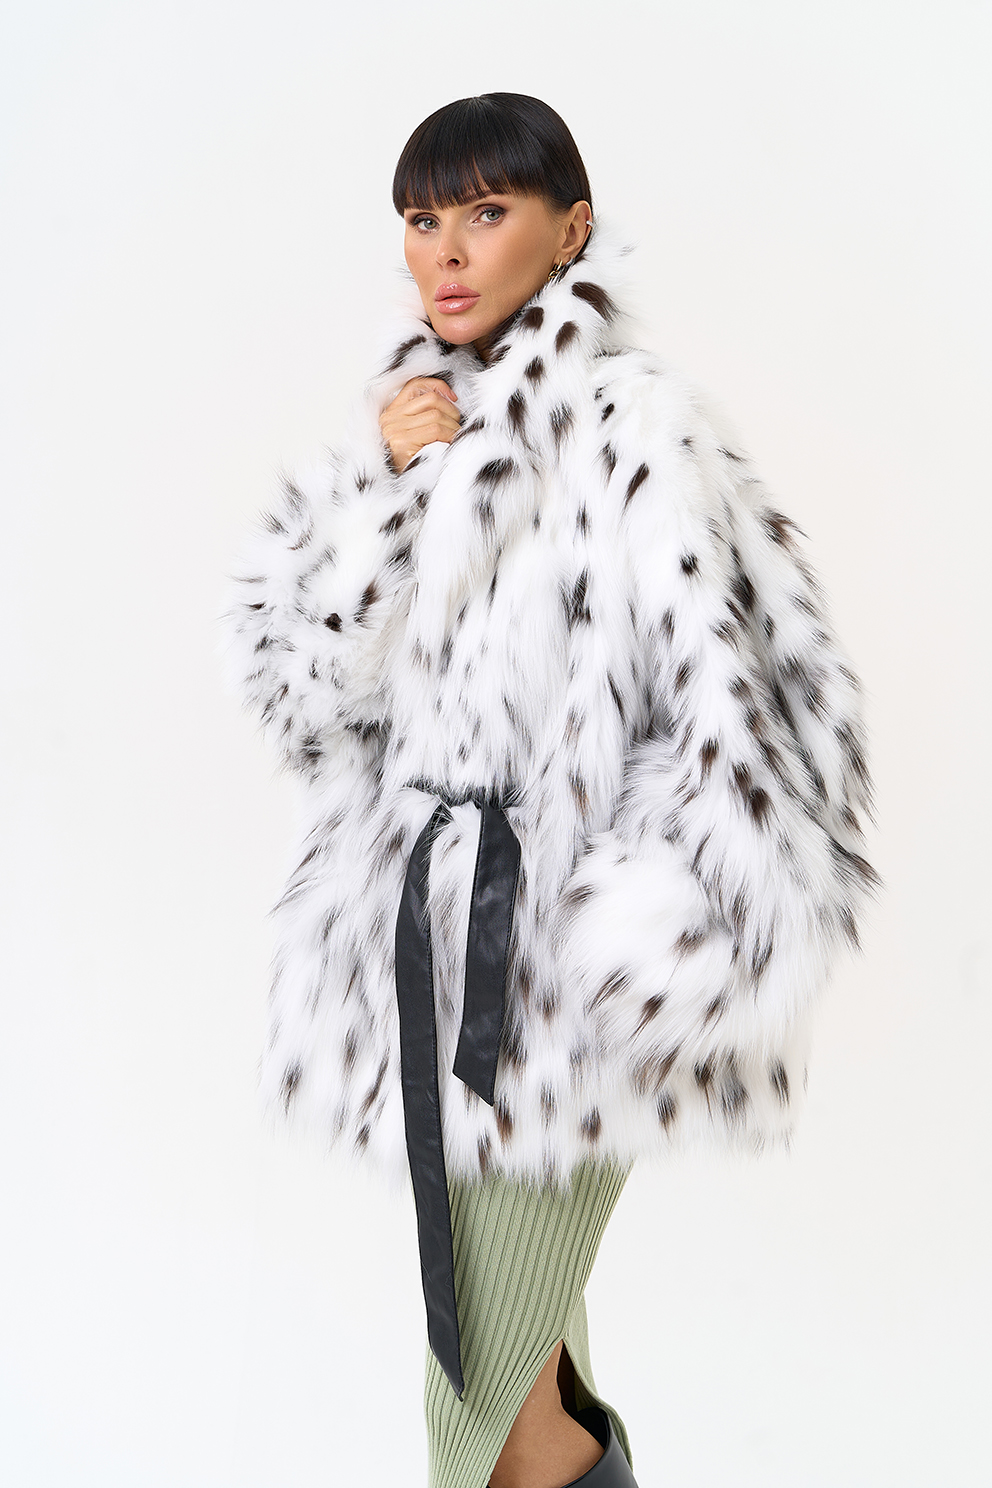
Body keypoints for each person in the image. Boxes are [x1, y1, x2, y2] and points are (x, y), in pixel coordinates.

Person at [223, 93, 876, 1488]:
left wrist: (620, 948)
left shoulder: (637, 429)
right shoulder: (418, 430)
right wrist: (395, 490)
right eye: (422, 219)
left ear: (570, 229)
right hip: (431, 967)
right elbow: (302, 691)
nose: (447, 251)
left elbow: (756, 717)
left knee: (481, 1389)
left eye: (486, 211)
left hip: (557, 988)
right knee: (524, 1366)